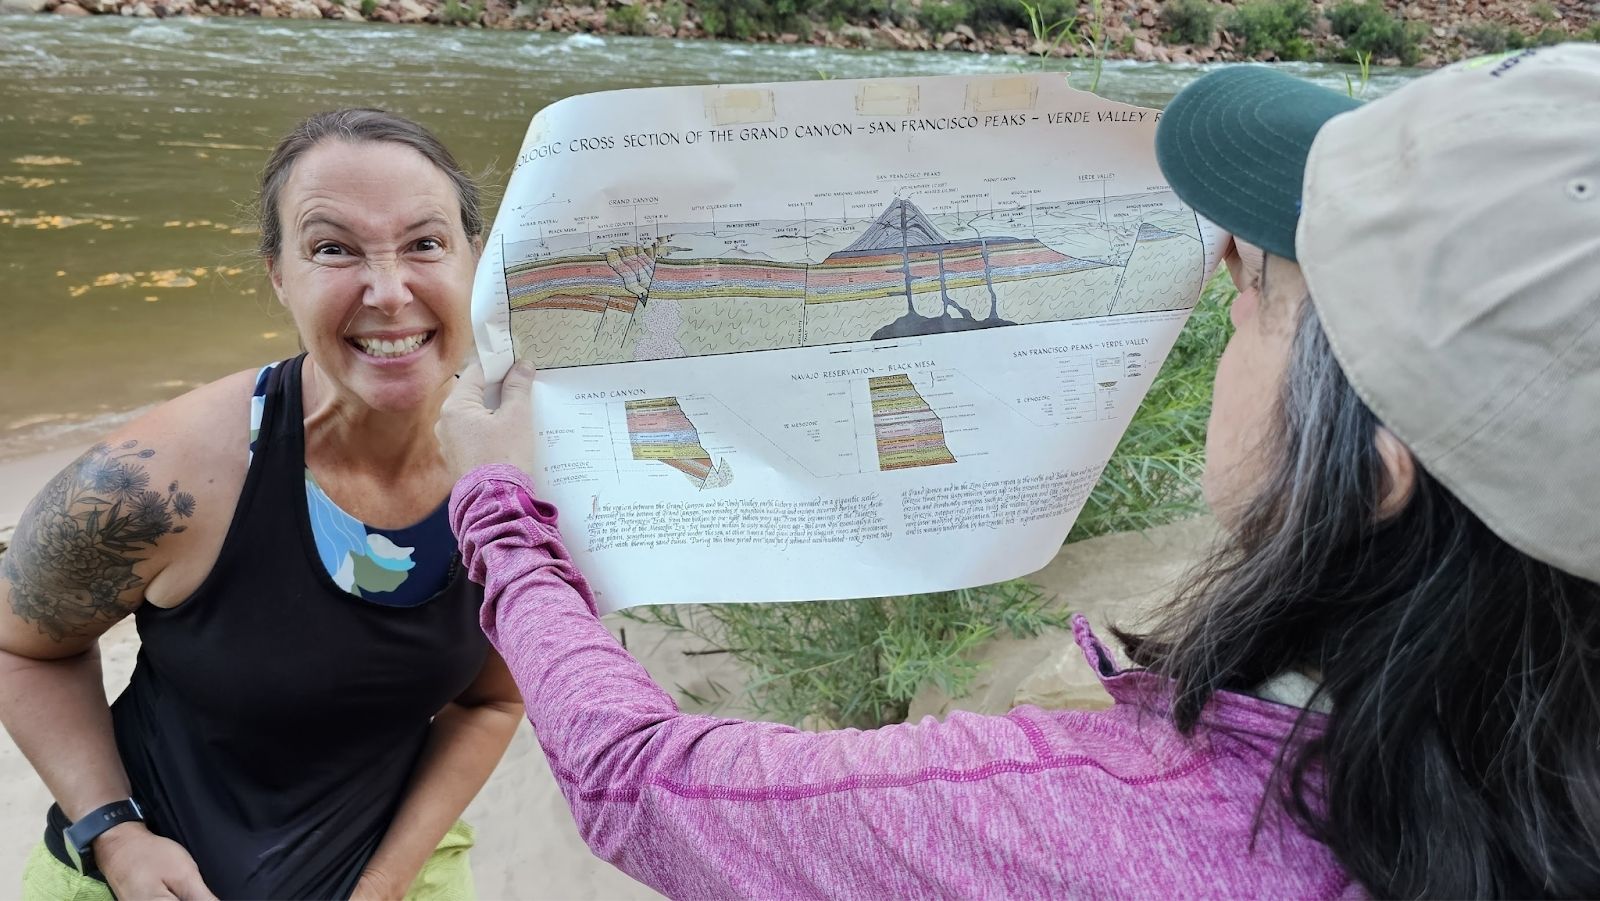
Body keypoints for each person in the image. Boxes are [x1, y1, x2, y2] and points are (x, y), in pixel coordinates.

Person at [436, 44, 1600, 899]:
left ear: (1380, 463)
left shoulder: (1103, 829)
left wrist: (502, 508)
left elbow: (640, 782)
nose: (1223, 280)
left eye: (1260, 283)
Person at [0, 109, 521, 899]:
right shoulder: (162, 480)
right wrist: (114, 832)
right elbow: (19, 644)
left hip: (395, 865)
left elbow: (490, 700)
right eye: (333, 248)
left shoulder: (519, 477)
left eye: (425, 242)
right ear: (279, 274)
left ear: (473, 259)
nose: (389, 292)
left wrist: (384, 884)